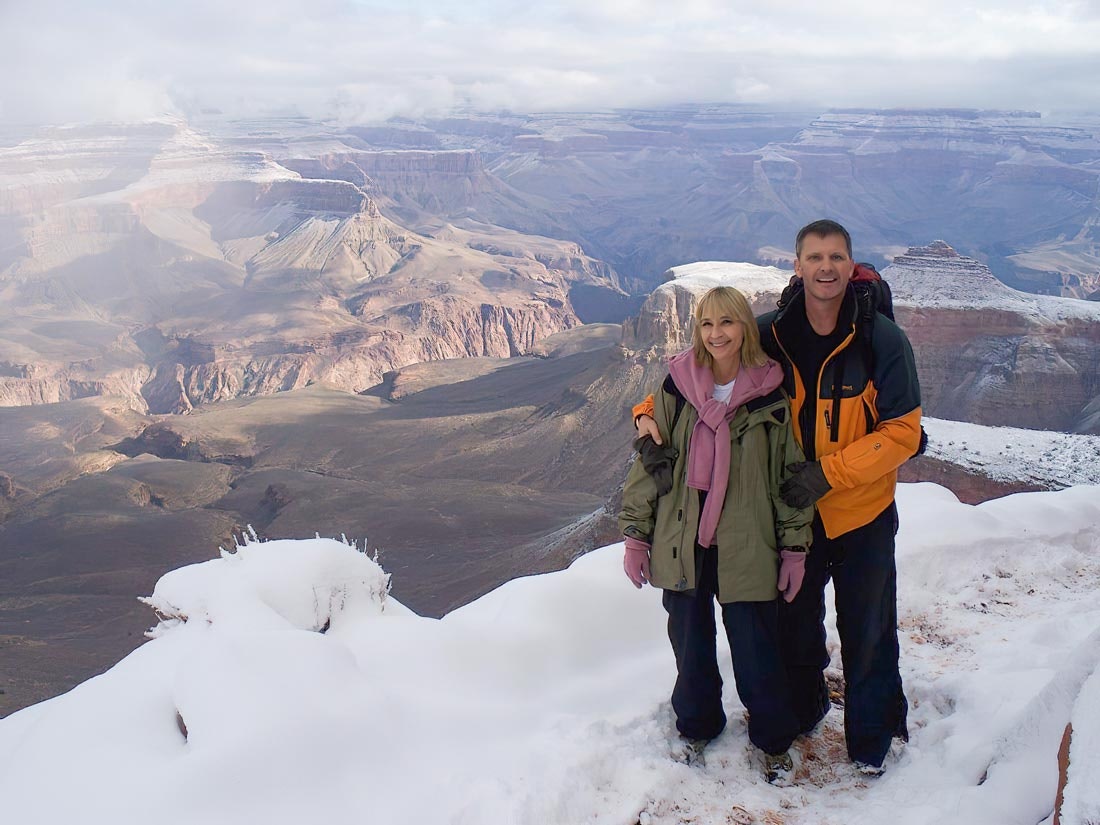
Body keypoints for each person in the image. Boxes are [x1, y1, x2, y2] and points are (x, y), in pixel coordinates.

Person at [633, 220, 923, 775]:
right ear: (798, 265)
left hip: (860, 513)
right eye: (815, 257)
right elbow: (695, 378)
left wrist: (828, 474)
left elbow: (904, 433)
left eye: (836, 257)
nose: (826, 267)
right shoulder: (770, 333)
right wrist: (645, 418)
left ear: (850, 263)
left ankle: (871, 742)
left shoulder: (881, 338)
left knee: (868, 630)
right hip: (788, 514)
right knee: (793, 631)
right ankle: (804, 711)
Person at [619, 286, 814, 785]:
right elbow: (650, 464)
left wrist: (795, 549)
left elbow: (787, 477)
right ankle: (698, 725)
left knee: (755, 649)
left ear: (745, 327)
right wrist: (636, 537)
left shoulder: (769, 391)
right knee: (690, 643)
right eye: (706, 324)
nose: (716, 334)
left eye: (726, 323)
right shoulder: (677, 384)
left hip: (747, 542)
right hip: (681, 536)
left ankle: (772, 741)